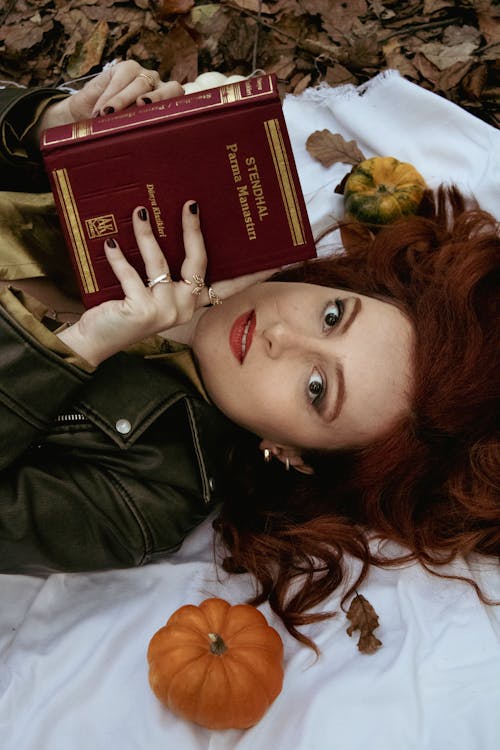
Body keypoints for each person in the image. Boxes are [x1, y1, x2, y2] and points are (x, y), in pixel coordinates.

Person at [0, 62, 498, 647]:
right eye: (332, 316)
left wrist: (79, 347)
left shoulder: (147, 495)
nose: (280, 336)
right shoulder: (215, 197)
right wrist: (49, 128)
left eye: (317, 388)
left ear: (292, 454)